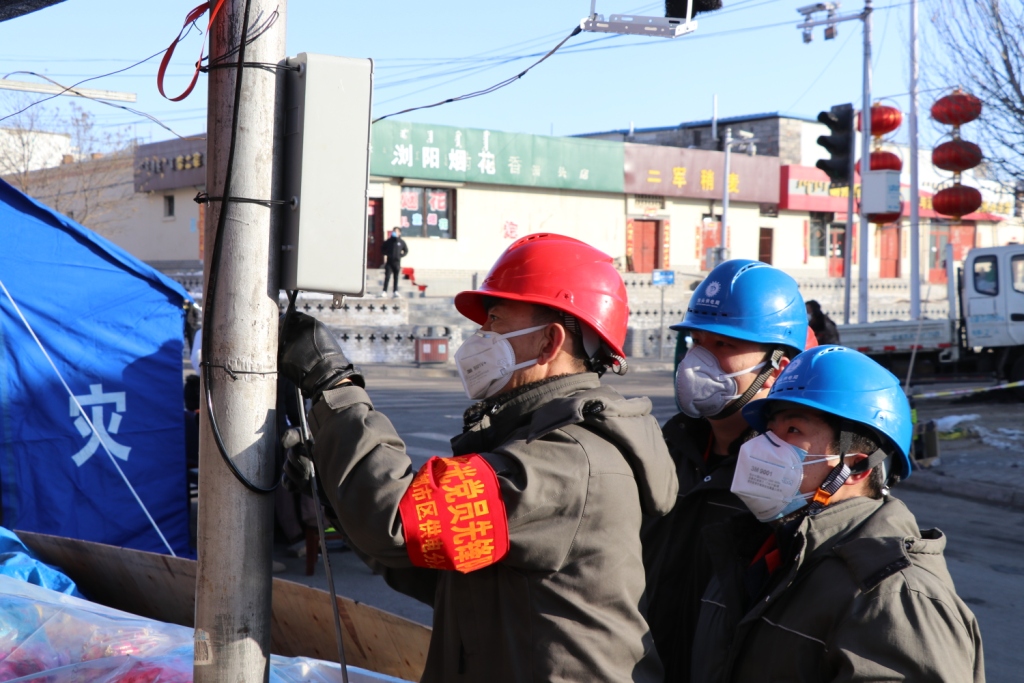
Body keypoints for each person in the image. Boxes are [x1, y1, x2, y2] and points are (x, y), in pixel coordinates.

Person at [279, 233, 679, 682]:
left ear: (550, 341)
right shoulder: (530, 440)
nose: (480, 337)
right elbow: (436, 568)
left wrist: (336, 387)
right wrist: (339, 493)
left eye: (494, 320)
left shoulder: (568, 461)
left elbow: (397, 522)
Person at [691, 345, 985, 682]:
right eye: (768, 431)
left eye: (793, 431)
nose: (762, 447)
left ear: (857, 465)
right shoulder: (761, 552)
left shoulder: (893, 597)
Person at [642, 259, 809, 681]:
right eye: (696, 342)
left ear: (779, 366)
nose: (698, 360)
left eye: (722, 345)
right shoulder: (666, 450)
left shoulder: (790, 478)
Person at [381, 227, 408, 298]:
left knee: (396, 277)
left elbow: (406, 251)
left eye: (396, 231)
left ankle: (395, 291)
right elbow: (382, 249)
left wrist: (400, 255)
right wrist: (387, 254)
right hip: (389, 262)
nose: (394, 232)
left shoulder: (401, 242)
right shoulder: (388, 241)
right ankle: (384, 291)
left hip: (397, 263)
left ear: (399, 233)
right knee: (387, 277)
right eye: (394, 231)